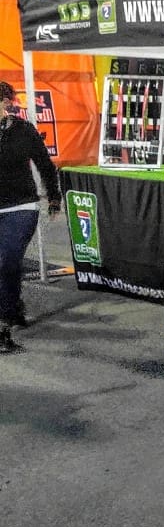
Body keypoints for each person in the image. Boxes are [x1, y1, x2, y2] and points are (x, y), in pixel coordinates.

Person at [0, 81, 60, 353]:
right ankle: (11, 305)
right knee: (5, 267)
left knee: (7, 260)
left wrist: (54, 197)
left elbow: (44, 164)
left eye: (5, 102)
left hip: (21, 207)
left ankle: (3, 326)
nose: (6, 105)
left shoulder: (23, 131)